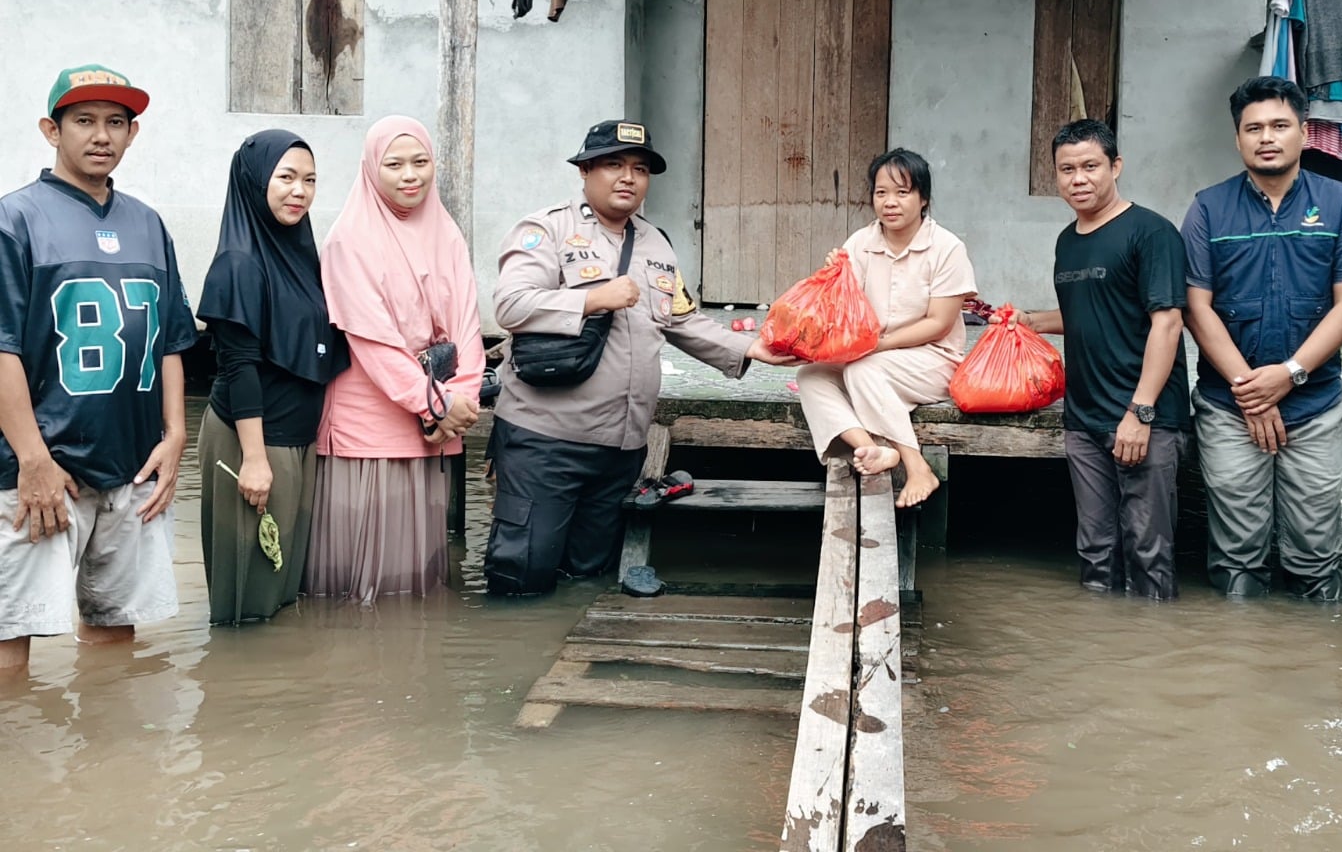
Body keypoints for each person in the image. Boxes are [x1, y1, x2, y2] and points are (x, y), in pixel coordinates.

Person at [486, 120, 793, 595]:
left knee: (590, 572)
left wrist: (754, 348)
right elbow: (510, 305)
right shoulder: (546, 230)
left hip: (622, 446)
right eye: (613, 164)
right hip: (546, 439)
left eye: (640, 169)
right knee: (522, 571)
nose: (628, 177)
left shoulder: (656, 243)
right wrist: (592, 298)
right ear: (585, 171)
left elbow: (682, 319)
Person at [0, 65, 197, 672]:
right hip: (43, 470)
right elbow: (3, 348)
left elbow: (169, 341)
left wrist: (176, 435)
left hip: (133, 466)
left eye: (116, 122)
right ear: (50, 130)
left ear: (133, 134)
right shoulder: (16, 220)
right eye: (83, 121)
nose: (101, 135)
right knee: (11, 638)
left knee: (114, 638)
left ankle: (112, 764)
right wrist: (32, 459)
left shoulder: (147, 223)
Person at [1182, 76, 1342, 602]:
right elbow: (1196, 309)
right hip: (1230, 405)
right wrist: (1252, 389)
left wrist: (1289, 375)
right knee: (1237, 553)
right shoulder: (1208, 208)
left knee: (1316, 550)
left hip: (1313, 405)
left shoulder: (1341, 204)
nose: (1266, 137)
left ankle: (1313, 657)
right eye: (1253, 128)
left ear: (1303, 132)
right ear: (1238, 138)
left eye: (1279, 125)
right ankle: (1242, 654)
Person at [1003, 120, 1188, 600]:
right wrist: (1029, 320)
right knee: (1095, 548)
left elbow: (1167, 323)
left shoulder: (1151, 232)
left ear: (1115, 166)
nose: (1078, 178)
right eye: (1067, 169)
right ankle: (1101, 650)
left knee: (1149, 551)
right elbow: (1086, 313)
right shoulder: (1068, 240)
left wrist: (1140, 411)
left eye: (1090, 166)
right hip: (1084, 419)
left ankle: (1149, 655)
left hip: (1143, 417)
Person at [308, 116, 485, 602]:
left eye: (421, 162)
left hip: (436, 420)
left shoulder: (445, 232)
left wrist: (463, 396)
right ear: (371, 169)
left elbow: (467, 323)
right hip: (371, 426)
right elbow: (373, 342)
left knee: (417, 578)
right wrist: (437, 403)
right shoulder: (350, 239)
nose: (411, 175)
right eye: (395, 164)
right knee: (366, 581)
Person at [197, 131, 346, 624]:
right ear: (255, 181)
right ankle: (236, 692)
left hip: (296, 438)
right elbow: (239, 366)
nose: (298, 191)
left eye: (309, 180)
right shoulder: (239, 263)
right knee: (248, 594)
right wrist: (255, 459)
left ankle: (277, 692)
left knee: (282, 586)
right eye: (284, 178)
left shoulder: (299, 255)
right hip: (254, 440)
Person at [797, 148, 977, 508]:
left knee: (864, 370)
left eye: (902, 192)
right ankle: (872, 447)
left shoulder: (947, 248)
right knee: (811, 376)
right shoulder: (861, 243)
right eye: (881, 193)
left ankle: (916, 465)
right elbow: (843, 310)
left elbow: (939, 324)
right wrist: (837, 277)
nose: (890, 202)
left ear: (923, 198)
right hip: (872, 355)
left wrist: (878, 345)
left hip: (932, 359)